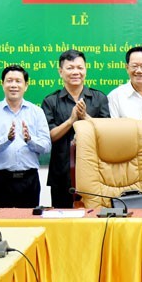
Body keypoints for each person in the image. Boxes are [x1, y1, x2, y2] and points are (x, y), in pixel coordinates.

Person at [42, 49, 109, 208]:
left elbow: (107, 134)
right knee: (62, 220)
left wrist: (85, 117)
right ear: (60, 71)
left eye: (80, 68)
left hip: (95, 172)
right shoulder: (50, 101)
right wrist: (71, 120)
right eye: (70, 68)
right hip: (62, 174)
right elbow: (50, 136)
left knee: (94, 220)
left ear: (85, 70)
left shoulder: (99, 98)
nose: (76, 72)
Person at [0, 65, 51, 208]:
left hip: (29, 180)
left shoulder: (37, 112)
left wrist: (30, 140)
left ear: (26, 85)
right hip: (0, 180)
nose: (13, 85)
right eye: (9, 81)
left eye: (18, 81)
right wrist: (6, 140)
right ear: (2, 84)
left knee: (28, 226)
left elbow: (46, 146)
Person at [108, 46, 142, 120]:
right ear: (127, 68)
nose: (139, 71)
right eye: (134, 66)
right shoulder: (115, 97)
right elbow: (112, 129)